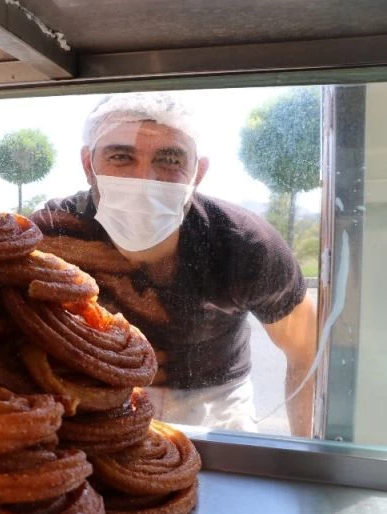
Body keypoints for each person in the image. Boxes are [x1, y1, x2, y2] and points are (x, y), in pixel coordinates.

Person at [32, 92, 318, 436]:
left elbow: (307, 351)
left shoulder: (241, 243)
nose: (145, 179)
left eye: (170, 159)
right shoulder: (53, 236)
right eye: (121, 156)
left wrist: (309, 461)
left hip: (215, 415)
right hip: (88, 406)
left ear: (198, 172)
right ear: (87, 165)